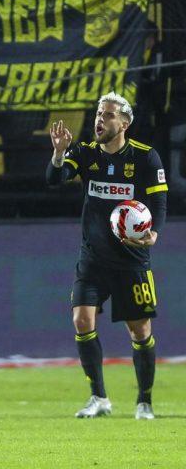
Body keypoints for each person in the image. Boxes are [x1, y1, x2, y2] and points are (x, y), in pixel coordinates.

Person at [46, 92, 167, 420]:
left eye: (109, 115)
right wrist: (58, 154)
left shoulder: (145, 157)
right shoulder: (84, 153)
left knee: (140, 332)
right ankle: (99, 397)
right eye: (99, 113)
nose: (100, 119)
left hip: (131, 260)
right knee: (81, 321)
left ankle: (144, 401)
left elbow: (159, 202)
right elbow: (54, 179)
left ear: (124, 123)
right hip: (93, 259)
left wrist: (154, 233)